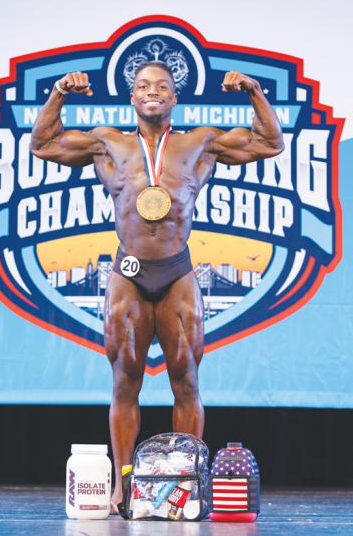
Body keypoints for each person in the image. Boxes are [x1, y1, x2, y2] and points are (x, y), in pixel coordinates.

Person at [31, 61, 284, 513]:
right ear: (132, 97)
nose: (153, 92)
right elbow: (43, 144)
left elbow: (270, 142)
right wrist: (58, 93)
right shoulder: (107, 142)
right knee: (125, 380)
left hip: (176, 271)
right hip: (127, 273)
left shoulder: (199, 143)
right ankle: (124, 485)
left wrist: (253, 90)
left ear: (173, 98)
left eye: (162, 87)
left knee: (186, 379)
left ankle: (185, 481)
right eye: (143, 86)